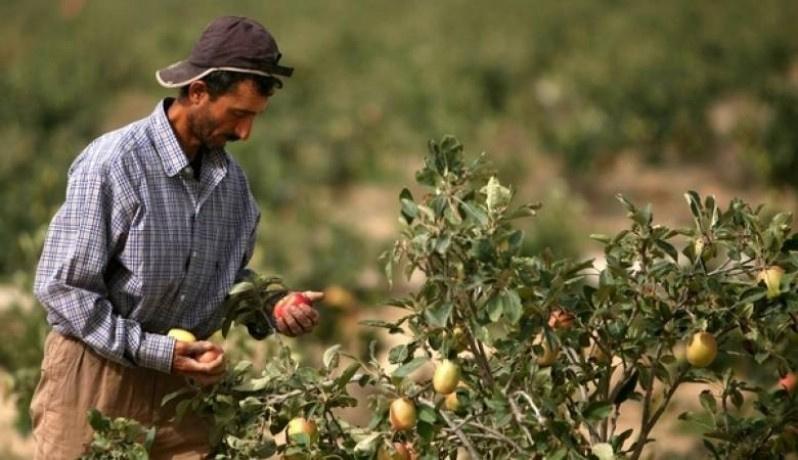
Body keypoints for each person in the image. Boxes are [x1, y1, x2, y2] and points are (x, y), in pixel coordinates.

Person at [30, 16, 320, 459]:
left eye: (254, 117)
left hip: (182, 393)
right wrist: (154, 351)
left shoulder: (232, 186)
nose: (245, 133)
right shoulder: (114, 164)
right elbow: (63, 288)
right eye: (238, 114)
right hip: (96, 378)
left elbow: (226, 279)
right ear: (198, 92)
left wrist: (272, 305)